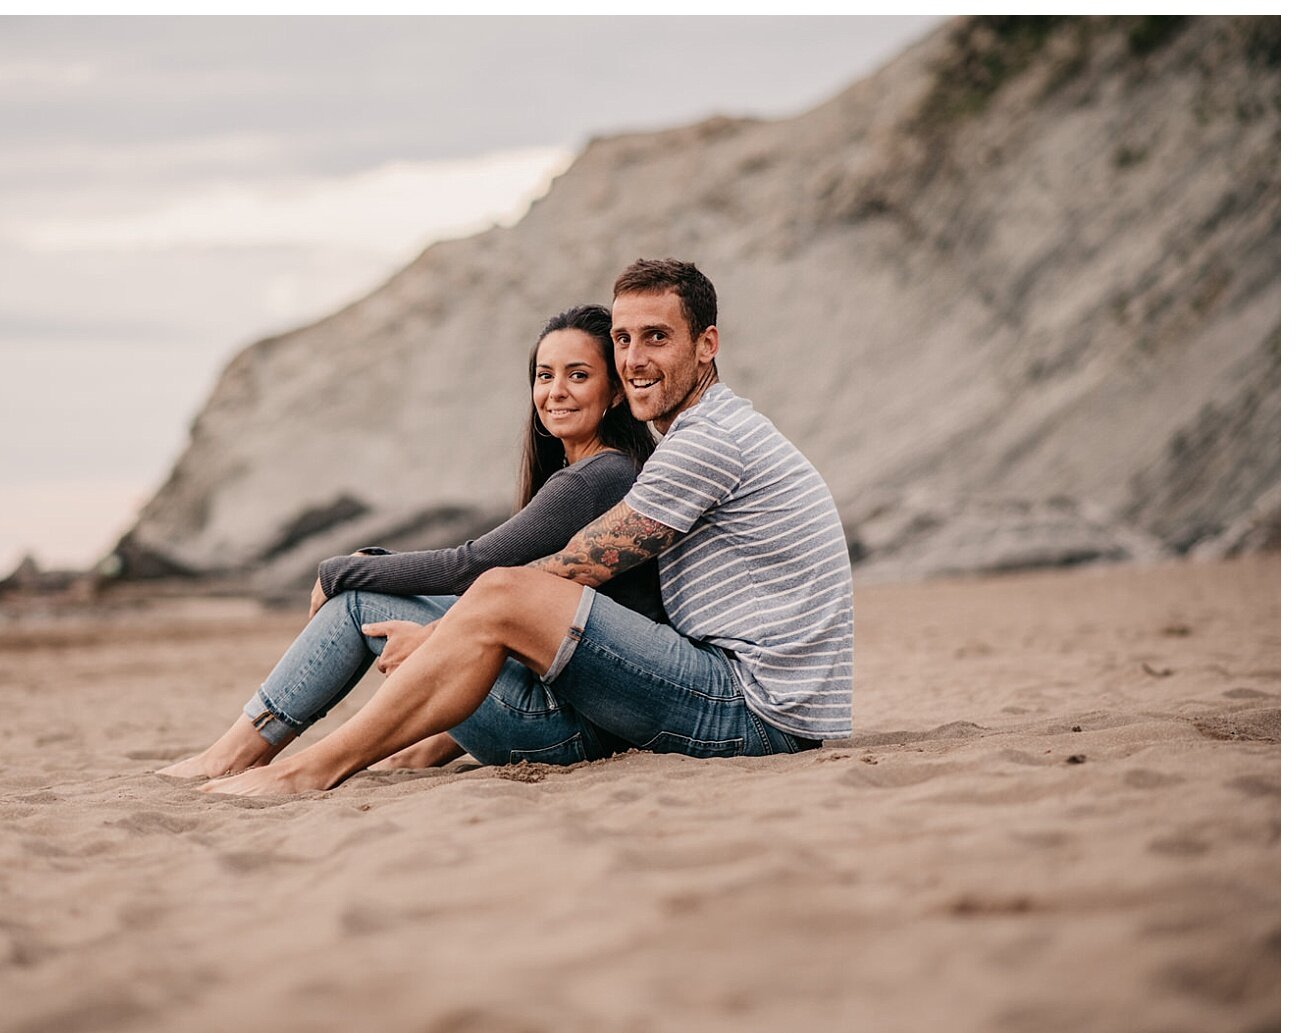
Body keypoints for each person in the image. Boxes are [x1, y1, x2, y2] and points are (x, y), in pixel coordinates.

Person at [202, 258, 854, 797]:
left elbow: (566, 570)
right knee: (498, 596)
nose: (634, 357)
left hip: (754, 708)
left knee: (506, 591)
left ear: (706, 344)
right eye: (623, 338)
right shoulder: (707, 433)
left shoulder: (703, 442)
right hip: (766, 699)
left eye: (656, 336)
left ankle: (310, 767)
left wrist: (441, 636)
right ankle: (294, 754)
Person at [157, 304, 662, 780]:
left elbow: (471, 567)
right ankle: (410, 746)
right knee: (409, 600)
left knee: (358, 602)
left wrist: (342, 570)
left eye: (578, 375)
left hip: (559, 732)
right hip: (581, 720)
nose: (556, 391)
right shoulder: (602, 472)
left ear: (615, 392)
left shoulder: (595, 478)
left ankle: (232, 754)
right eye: (544, 375)